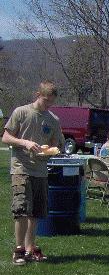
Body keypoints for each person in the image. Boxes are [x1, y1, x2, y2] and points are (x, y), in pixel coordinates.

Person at [2, 80, 65, 265]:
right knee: (21, 209)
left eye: (51, 102)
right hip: (21, 168)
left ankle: (30, 248)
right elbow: (5, 137)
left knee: (35, 212)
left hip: (40, 171)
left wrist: (52, 149)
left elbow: (57, 144)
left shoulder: (53, 119)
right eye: (46, 101)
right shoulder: (21, 112)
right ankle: (19, 250)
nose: (48, 105)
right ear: (38, 95)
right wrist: (26, 143)